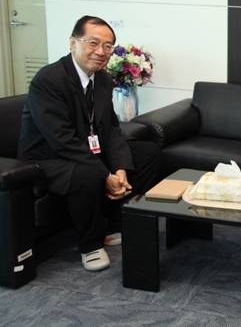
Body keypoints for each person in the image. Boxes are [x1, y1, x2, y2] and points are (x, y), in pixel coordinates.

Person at [18, 15, 162, 272]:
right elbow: (61, 140)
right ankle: (90, 245)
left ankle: (116, 225)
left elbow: (111, 129)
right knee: (86, 173)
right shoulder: (49, 79)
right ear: (73, 42)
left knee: (147, 153)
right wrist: (106, 174)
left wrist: (120, 169)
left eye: (107, 46)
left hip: (84, 150)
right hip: (48, 157)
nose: (101, 51)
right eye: (93, 43)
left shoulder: (102, 78)